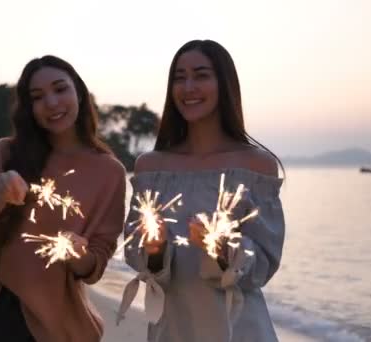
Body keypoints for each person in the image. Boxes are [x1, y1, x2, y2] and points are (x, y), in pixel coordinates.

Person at [118, 40, 285, 342]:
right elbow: (136, 254)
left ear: (224, 84)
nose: (189, 86)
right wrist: (155, 250)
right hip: (172, 328)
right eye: (179, 78)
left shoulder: (257, 166)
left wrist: (223, 249)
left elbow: (263, 265)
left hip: (239, 330)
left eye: (201, 75)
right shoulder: (150, 169)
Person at [0, 55, 126, 342]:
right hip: (1, 309)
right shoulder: (6, 152)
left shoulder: (110, 172)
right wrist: (0, 196)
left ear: (79, 92)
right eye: (38, 97)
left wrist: (77, 253)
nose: (51, 103)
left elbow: (94, 266)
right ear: (29, 108)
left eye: (60, 89)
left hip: (59, 322)